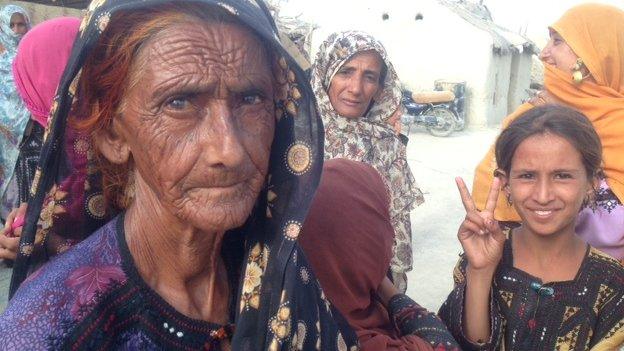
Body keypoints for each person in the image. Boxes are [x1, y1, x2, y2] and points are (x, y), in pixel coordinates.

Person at [0, 1, 358, 350]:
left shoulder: (271, 265)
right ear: (112, 134)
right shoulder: (51, 328)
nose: (229, 151)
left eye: (250, 99)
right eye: (180, 103)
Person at [440, 105, 624, 350]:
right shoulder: (476, 260)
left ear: (591, 183)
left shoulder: (612, 283)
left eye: (562, 176)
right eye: (527, 175)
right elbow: (462, 344)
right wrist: (481, 273)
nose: (543, 195)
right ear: (506, 184)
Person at [471, 4, 624, 261]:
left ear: (595, 54)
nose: (543, 53)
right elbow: (489, 198)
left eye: (557, 41)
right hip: (524, 283)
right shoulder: (530, 119)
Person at [299, 158, 459, 350]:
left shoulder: (280, 318)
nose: (391, 234)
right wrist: (380, 280)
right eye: (382, 222)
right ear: (367, 242)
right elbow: (442, 343)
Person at [310, 31, 423, 292]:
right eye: (345, 71)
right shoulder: (296, 133)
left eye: (369, 77)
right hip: (302, 279)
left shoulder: (386, 143)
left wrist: (394, 298)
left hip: (366, 283)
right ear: (325, 74)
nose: (356, 88)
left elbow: (397, 227)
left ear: (380, 87)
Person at [0, 17, 81, 262]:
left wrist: (46, 245)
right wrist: (36, 209)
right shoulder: (68, 138)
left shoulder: (115, 146)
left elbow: (131, 244)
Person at [0, 4, 30, 221]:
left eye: (21, 24)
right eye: (11, 25)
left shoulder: (33, 58)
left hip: (31, 133)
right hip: (3, 136)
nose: (16, 30)